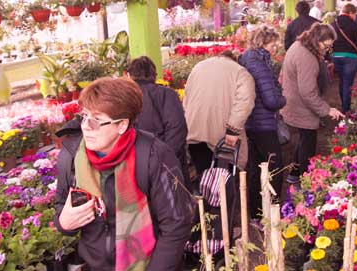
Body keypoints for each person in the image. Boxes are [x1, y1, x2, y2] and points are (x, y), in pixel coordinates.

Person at [54, 77, 193, 270]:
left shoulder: (153, 156)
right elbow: (61, 206)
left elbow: (176, 223)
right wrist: (64, 223)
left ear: (122, 125)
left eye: (96, 121)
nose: (86, 126)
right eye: (84, 116)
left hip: (149, 264)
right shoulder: (72, 157)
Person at [281, 23, 344, 184]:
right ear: (317, 40)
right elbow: (307, 92)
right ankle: (305, 181)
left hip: (294, 100)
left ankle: (294, 174)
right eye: (326, 45)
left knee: (304, 138)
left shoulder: (300, 46)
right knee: (308, 143)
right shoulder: (306, 57)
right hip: (301, 105)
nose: (327, 50)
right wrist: (327, 110)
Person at [238, 26, 287, 219]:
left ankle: (255, 214)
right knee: (275, 166)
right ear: (264, 42)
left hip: (251, 122)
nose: (276, 46)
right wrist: (283, 99)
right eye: (274, 42)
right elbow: (271, 100)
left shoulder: (247, 58)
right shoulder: (257, 63)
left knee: (256, 167)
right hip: (262, 123)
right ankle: (271, 212)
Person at [183, 50, 255, 179]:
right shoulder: (240, 72)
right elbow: (245, 102)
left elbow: (186, 99)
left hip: (194, 132)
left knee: (203, 176)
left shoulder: (198, 67)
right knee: (224, 181)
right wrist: (233, 130)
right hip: (223, 138)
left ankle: (205, 198)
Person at [127, 56, 190, 187]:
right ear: (154, 74)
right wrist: (165, 157)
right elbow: (177, 128)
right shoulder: (167, 94)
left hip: (134, 162)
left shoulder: (125, 96)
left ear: (130, 75)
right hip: (167, 163)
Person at [332, 4, 357, 114]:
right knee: (348, 83)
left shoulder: (334, 23)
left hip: (336, 55)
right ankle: (346, 108)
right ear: (350, 12)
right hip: (351, 56)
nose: (355, 17)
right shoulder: (353, 24)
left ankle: (343, 105)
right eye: (355, 14)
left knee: (341, 81)